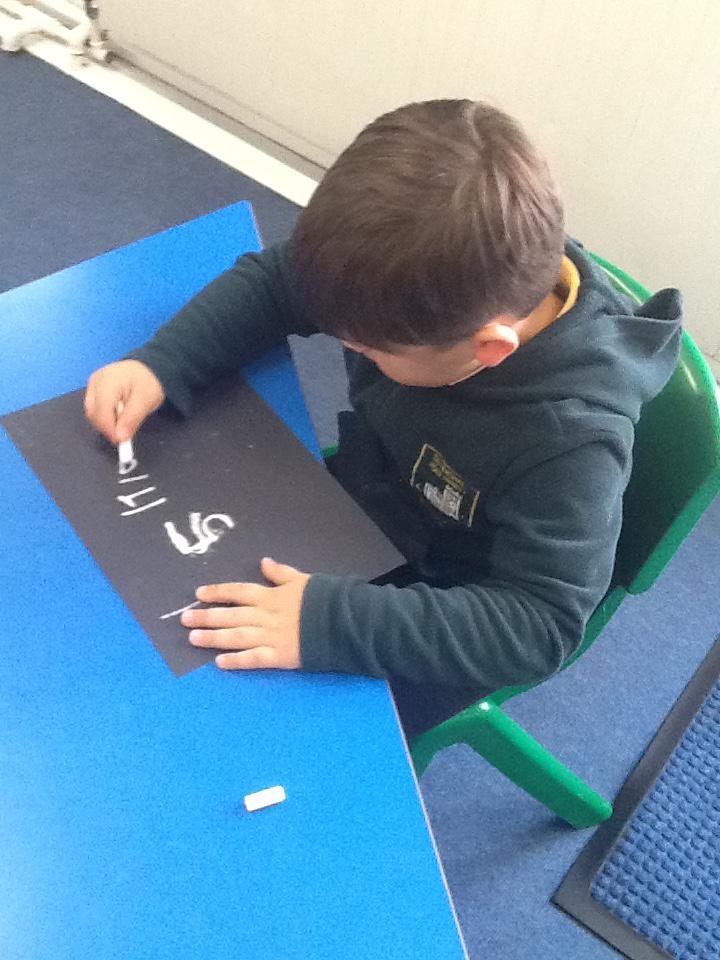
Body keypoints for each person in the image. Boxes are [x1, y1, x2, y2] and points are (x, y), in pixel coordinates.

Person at [84, 99, 682, 739]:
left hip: (447, 604)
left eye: (367, 349)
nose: (348, 347)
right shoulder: (429, 279)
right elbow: (280, 283)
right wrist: (165, 361)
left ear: (489, 348)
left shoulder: (570, 443)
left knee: (250, 736)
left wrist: (327, 623)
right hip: (369, 503)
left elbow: (538, 626)